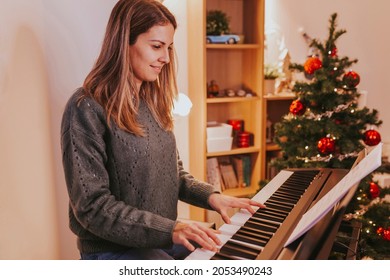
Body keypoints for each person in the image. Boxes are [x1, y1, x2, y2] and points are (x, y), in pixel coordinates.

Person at [61, 0, 264, 260]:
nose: (166, 58)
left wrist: (213, 197)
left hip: (158, 241)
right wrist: (171, 228)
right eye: (157, 46)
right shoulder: (85, 108)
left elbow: (173, 175)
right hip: (113, 251)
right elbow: (91, 207)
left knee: (229, 252)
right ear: (124, 43)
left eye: (168, 47)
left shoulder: (152, 102)